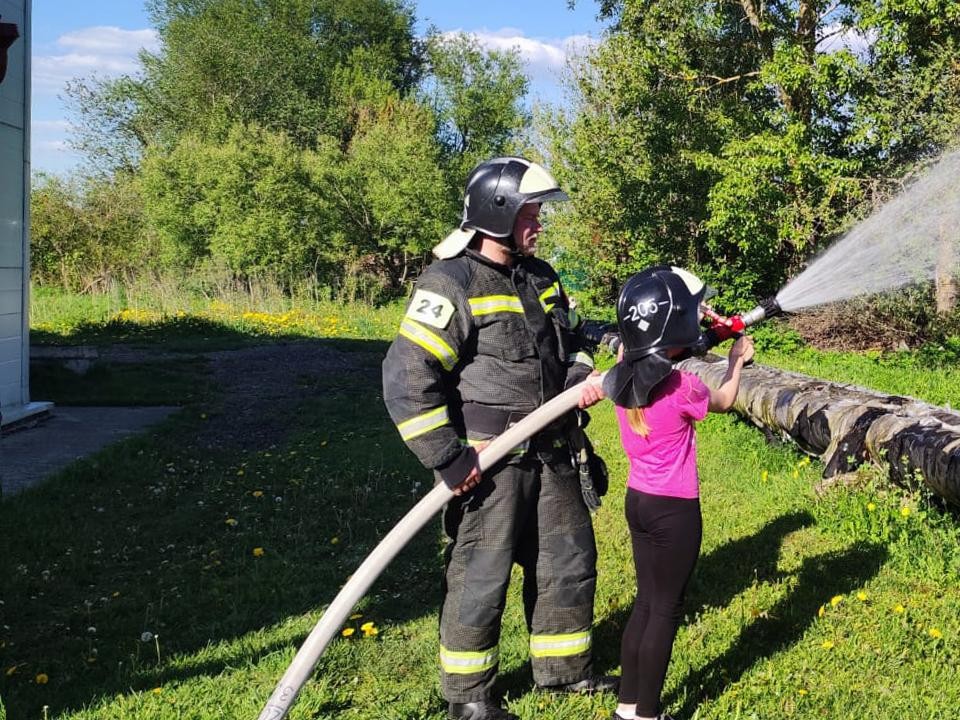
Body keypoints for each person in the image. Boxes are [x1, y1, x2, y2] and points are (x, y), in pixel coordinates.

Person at [382, 157, 616, 720]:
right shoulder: (451, 284)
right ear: (499, 213)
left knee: (568, 562)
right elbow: (408, 376)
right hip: (491, 465)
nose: (539, 223)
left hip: (555, 451)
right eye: (531, 213)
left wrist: (586, 370)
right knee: (479, 577)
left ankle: (563, 674)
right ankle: (469, 699)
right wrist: (447, 456)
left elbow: (572, 339)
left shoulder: (542, 277)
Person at [601, 266, 754, 720]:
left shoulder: (622, 381)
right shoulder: (683, 387)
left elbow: (658, 357)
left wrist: (700, 331)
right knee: (666, 611)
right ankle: (647, 714)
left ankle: (627, 708)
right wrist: (736, 361)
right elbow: (724, 401)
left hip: (639, 502)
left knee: (644, 604)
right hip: (675, 512)